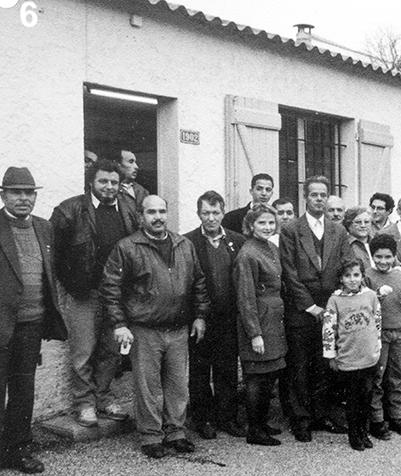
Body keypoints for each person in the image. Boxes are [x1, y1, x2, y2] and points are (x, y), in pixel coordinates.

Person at [100, 195, 209, 459]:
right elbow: (111, 288)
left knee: (177, 385)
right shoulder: (127, 247)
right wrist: (119, 324)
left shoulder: (183, 244)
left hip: (178, 329)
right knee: (148, 387)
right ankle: (151, 436)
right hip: (145, 328)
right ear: (141, 216)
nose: (158, 217)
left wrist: (200, 315)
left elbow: (198, 282)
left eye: (162, 211)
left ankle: (176, 432)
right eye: (151, 212)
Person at [50, 160, 138, 428]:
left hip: (117, 294)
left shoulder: (129, 208)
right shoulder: (69, 210)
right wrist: (71, 285)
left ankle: (103, 396)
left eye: (114, 182)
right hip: (84, 294)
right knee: (84, 351)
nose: (109, 187)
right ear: (91, 182)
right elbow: (53, 254)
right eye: (103, 181)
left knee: (112, 350)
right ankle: (84, 403)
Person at [0, 167, 67, 474]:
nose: (24, 198)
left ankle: (17, 450)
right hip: (1, 324)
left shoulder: (44, 227)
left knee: (23, 389)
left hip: (32, 324)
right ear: (4, 196)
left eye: (29, 193)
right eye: (17, 192)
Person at [280, 175, 351, 442]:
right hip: (301, 309)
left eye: (323, 195)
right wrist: (309, 306)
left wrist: (336, 303)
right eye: (314, 195)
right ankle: (301, 420)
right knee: (299, 366)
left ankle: (321, 415)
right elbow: (289, 272)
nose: (319, 199)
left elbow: (346, 264)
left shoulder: (338, 231)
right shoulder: (291, 229)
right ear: (305, 197)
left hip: (330, 308)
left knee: (324, 364)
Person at [182, 191, 246, 439]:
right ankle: (203, 419)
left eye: (215, 212)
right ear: (198, 214)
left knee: (227, 369)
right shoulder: (187, 242)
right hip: (200, 318)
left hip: (228, 317)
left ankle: (227, 417)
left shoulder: (237, 240)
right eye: (206, 213)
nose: (211, 218)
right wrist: (196, 315)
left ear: (223, 213)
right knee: (200, 371)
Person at [234, 204, 288, 447]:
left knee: (269, 375)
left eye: (270, 222)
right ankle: (254, 430)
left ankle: (262, 423)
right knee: (256, 376)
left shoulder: (271, 247)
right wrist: (254, 334)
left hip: (273, 320)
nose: (267, 227)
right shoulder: (247, 254)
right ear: (250, 225)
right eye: (261, 223)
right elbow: (245, 297)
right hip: (258, 321)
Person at [322, 259, 381, 451]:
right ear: (340, 278)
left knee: (367, 395)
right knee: (354, 398)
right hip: (349, 357)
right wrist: (331, 355)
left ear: (362, 276)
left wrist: (377, 346)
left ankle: (363, 432)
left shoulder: (370, 296)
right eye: (347, 276)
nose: (352, 279)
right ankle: (354, 435)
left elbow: (377, 322)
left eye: (356, 275)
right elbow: (328, 329)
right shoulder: (335, 300)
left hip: (369, 356)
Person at [364, 234, 401, 439]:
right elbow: (364, 307)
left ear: (395, 256)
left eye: (388, 257)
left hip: (400, 331)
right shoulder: (367, 276)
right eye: (378, 257)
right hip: (379, 333)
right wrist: (376, 297)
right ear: (372, 256)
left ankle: (397, 416)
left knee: (397, 375)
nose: (383, 261)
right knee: (377, 377)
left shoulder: (399, 276)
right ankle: (376, 419)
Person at [343, 206, 374, 270]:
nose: (363, 225)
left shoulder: (377, 242)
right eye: (358, 222)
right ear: (348, 225)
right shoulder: (345, 245)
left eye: (366, 222)